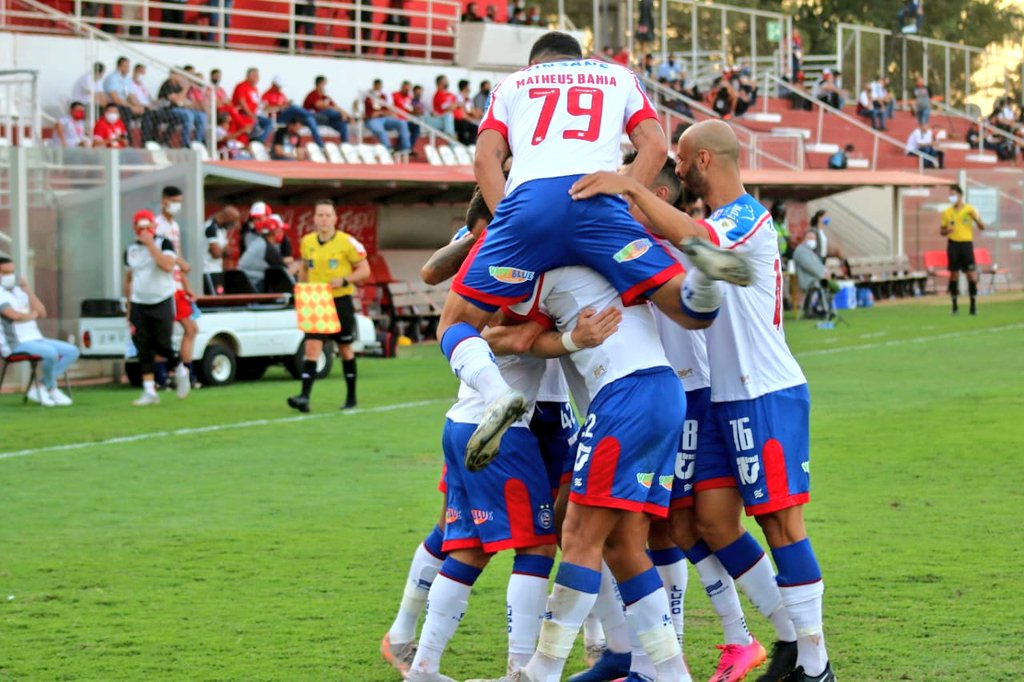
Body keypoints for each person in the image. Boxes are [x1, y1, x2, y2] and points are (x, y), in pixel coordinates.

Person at [435, 32, 749, 468]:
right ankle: (706, 273)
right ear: (578, 57)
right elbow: (655, 145)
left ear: (536, 61)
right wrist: (619, 200)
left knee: (454, 325)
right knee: (690, 310)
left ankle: (496, 394)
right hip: (597, 201)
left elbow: (485, 159)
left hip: (530, 207)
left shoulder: (513, 84)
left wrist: (509, 221)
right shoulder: (618, 75)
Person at [611, 120, 835, 682]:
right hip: (724, 397)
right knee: (708, 520)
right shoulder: (710, 226)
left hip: (767, 391)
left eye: (682, 160)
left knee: (783, 525)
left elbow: (703, 246)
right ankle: (786, 638)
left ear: (705, 160)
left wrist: (632, 187)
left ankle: (815, 663)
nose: (677, 169)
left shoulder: (743, 218)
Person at [287, 200, 371, 412]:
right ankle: (304, 397)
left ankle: (351, 397)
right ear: (313, 218)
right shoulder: (307, 242)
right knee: (312, 347)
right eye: (320, 215)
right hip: (316, 301)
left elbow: (364, 270)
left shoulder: (347, 243)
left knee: (344, 348)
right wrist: (301, 291)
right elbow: (305, 269)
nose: (323, 219)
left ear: (335, 218)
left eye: (327, 215)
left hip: (340, 300)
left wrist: (344, 279)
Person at [124, 210, 191, 406]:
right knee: (143, 347)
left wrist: (151, 245)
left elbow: (167, 266)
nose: (144, 231)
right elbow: (129, 279)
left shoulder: (163, 243)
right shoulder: (131, 249)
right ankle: (149, 390)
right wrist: (128, 306)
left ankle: (180, 370)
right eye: (140, 228)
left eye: (147, 227)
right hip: (139, 302)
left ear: (153, 227)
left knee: (163, 344)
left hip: (161, 300)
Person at [0, 257, 78, 406]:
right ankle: (52, 387)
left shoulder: (18, 291)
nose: (10, 276)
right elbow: (14, 316)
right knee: (50, 353)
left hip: (36, 338)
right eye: (5, 272)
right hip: (15, 344)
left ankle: (41, 386)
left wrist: (27, 289)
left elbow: (41, 311)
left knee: (71, 351)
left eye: (12, 272)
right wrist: (31, 315)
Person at [154, 186, 200, 389]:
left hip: (176, 285)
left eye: (179, 201)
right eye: (174, 200)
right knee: (164, 333)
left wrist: (186, 284)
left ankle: (184, 372)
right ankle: (161, 377)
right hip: (163, 286)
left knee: (191, 329)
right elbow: (161, 255)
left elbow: (176, 255)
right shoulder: (157, 225)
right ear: (164, 200)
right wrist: (181, 262)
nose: (177, 205)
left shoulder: (174, 225)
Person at [940, 185, 985, 316]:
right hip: (953, 244)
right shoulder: (947, 212)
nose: (951, 197)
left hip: (966, 244)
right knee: (954, 274)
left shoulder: (970, 209)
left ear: (960, 195)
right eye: (950, 195)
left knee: (971, 274)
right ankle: (954, 306)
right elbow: (941, 230)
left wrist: (975, 218)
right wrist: (946, 231)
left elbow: (982, 227)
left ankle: (973, 305)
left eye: (953, 194)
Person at [262, 76, 326, 148]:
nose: (280, 88)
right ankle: (313, 115)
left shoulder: (281, 95)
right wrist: (281, 107)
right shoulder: (266, 95)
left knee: (310, 119)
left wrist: (286, 105)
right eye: (278, 86)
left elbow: (286, 105)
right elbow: (265, 109)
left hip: (289, 117)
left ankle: (320, 144)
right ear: (273, 85)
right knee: (294, 107)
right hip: (278, 117)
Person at [793, 233, 839, 320]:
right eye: (810, 238)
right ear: (804, 238)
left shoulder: (809, 251)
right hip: (808, 280)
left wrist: (826, 272)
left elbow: (818, 266)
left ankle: (822, 308)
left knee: (833, 286)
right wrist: (823, 275)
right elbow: (810, 267)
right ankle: (824, 310)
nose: (812, 241)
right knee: (827, 285)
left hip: (815, 279)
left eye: (814, 238)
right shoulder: (800, 251)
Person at [239, 214, 289, 291]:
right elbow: (285, 271)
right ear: (274, 233)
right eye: (280, 231)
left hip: (245, 283)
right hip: (253, 286)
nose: (282, 233)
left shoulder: (258, 242)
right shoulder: (266, 247)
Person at [363, 79, 412, 153]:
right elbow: (362, 110)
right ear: (374, 86)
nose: (378, 88)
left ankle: (406, 148)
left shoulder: (384, 96)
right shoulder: (366, 96)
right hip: (371, 119)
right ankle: (388, 148)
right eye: (377, 86)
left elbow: (389, 110)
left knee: (402, 123)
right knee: (380, 130)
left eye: (380, 86)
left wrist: (380, 113)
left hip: (384, 118)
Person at [303, 75, 353, 143]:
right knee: (330, 111)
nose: (325, 87)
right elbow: (320, 106)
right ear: (320, 84)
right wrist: (341, 114)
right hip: (314, 117)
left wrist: (347, 114)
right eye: (324, 84)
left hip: (326, 119)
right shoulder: (312, 94)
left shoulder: (326, 97)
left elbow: (336, 107)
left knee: (342, 124)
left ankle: (345, 144)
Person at [232, 68, 273, 144]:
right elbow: (243, 103)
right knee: (255, 124)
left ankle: (259, 141)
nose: (258, 78)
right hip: (244, 115)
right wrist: (251, 115)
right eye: (256, 76)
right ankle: (256, 141)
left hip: (254, 114)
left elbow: (257, 103)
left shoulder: (254, 88)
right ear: (250, 76)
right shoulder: (242, 86)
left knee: (269, 123)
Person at [203, 205, 240, 277]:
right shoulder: (211, 228)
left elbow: (227, 252)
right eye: (234, 221)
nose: (234, 224)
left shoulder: (222, 229)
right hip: (208, 271)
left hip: (217, 270)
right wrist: (222, 251)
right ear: (229, 217)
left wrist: (222, 251)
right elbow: (216, 253)